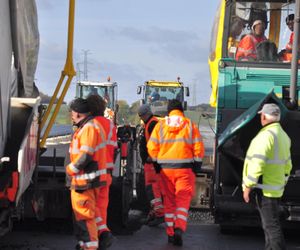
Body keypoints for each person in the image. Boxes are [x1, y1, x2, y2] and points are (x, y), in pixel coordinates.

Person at [147, 99, 205, 246]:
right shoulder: (190, 126)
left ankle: (171, 233)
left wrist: (156, 164)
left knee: (169, 202)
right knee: (182, 201)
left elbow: (151, 147)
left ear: (168, 111)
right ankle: (179, 227)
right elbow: (198, 148)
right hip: (185, 170)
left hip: (165, 170)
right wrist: (197, 165)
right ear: (182, 111)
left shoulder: (160, 126)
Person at [242, 103, 292, 250]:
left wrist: (248, 186)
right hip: (275, 188)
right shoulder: (283, 136)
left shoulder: (265, 136)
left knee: (271, 227)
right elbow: (288, 165)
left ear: (264, 116)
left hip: (264, 190)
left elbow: (257, 163)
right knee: (270, 226)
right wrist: (282, 181)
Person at [66, 98, 107, 250]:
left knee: (85, 218)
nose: (71, 115)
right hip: (85, 182)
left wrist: (71, 169)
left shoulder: (89, 128)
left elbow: (86, 155)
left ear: (77, 113)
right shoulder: (89, 126)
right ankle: (86, 246)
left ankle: (89, 247)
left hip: (85, 182)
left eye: (72, 112)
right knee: (84, 218)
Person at [87, 95, 117, 250]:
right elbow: (114, 148)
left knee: (90, 209)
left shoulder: (89, 125)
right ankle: (101, 239)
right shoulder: (111, 126)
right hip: (107, 173)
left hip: (92, 174)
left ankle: (99, 236)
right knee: (101, 208)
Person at [137, 104, 164, 226]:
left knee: (152, 189)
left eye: (141, 116)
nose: (141, 118)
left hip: (152, 163)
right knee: (152, 189)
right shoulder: (150, 123)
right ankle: (154, 213)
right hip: (151, 162)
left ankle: (159, 213)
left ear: (145, 114)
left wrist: (150, 157)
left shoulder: (152, 124)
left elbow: (157, 143)